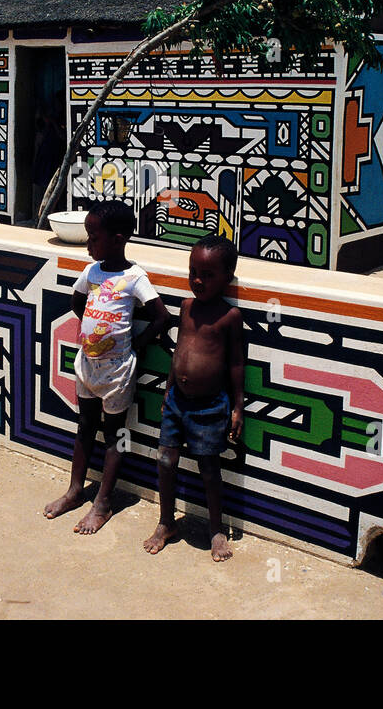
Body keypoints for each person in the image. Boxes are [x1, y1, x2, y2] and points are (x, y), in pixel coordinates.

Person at [44, 200, 170, 534]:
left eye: (93, 237)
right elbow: (77, 301)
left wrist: (133, 347)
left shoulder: (134, 276)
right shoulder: (92, 271)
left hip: (117, 372)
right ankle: (74, 491)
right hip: (87, 364)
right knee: (85, 426)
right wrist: (93, 332)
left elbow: (161, 317)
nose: (88, 244)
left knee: (115, 435)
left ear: (117, 239)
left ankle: (103, 503)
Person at [144, 233, 245, 561]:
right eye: (193, 273)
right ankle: (166, 521)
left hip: (209, 406)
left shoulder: (229, 317)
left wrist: (238, 406)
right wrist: (170, 386)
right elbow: (179, 353)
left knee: (209, 468)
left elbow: (235, 363)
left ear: (227, 278)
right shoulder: (186, 307)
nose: (197, 281)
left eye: (207, 275)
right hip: (176, 402)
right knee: (164, 461)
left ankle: (216, 529)